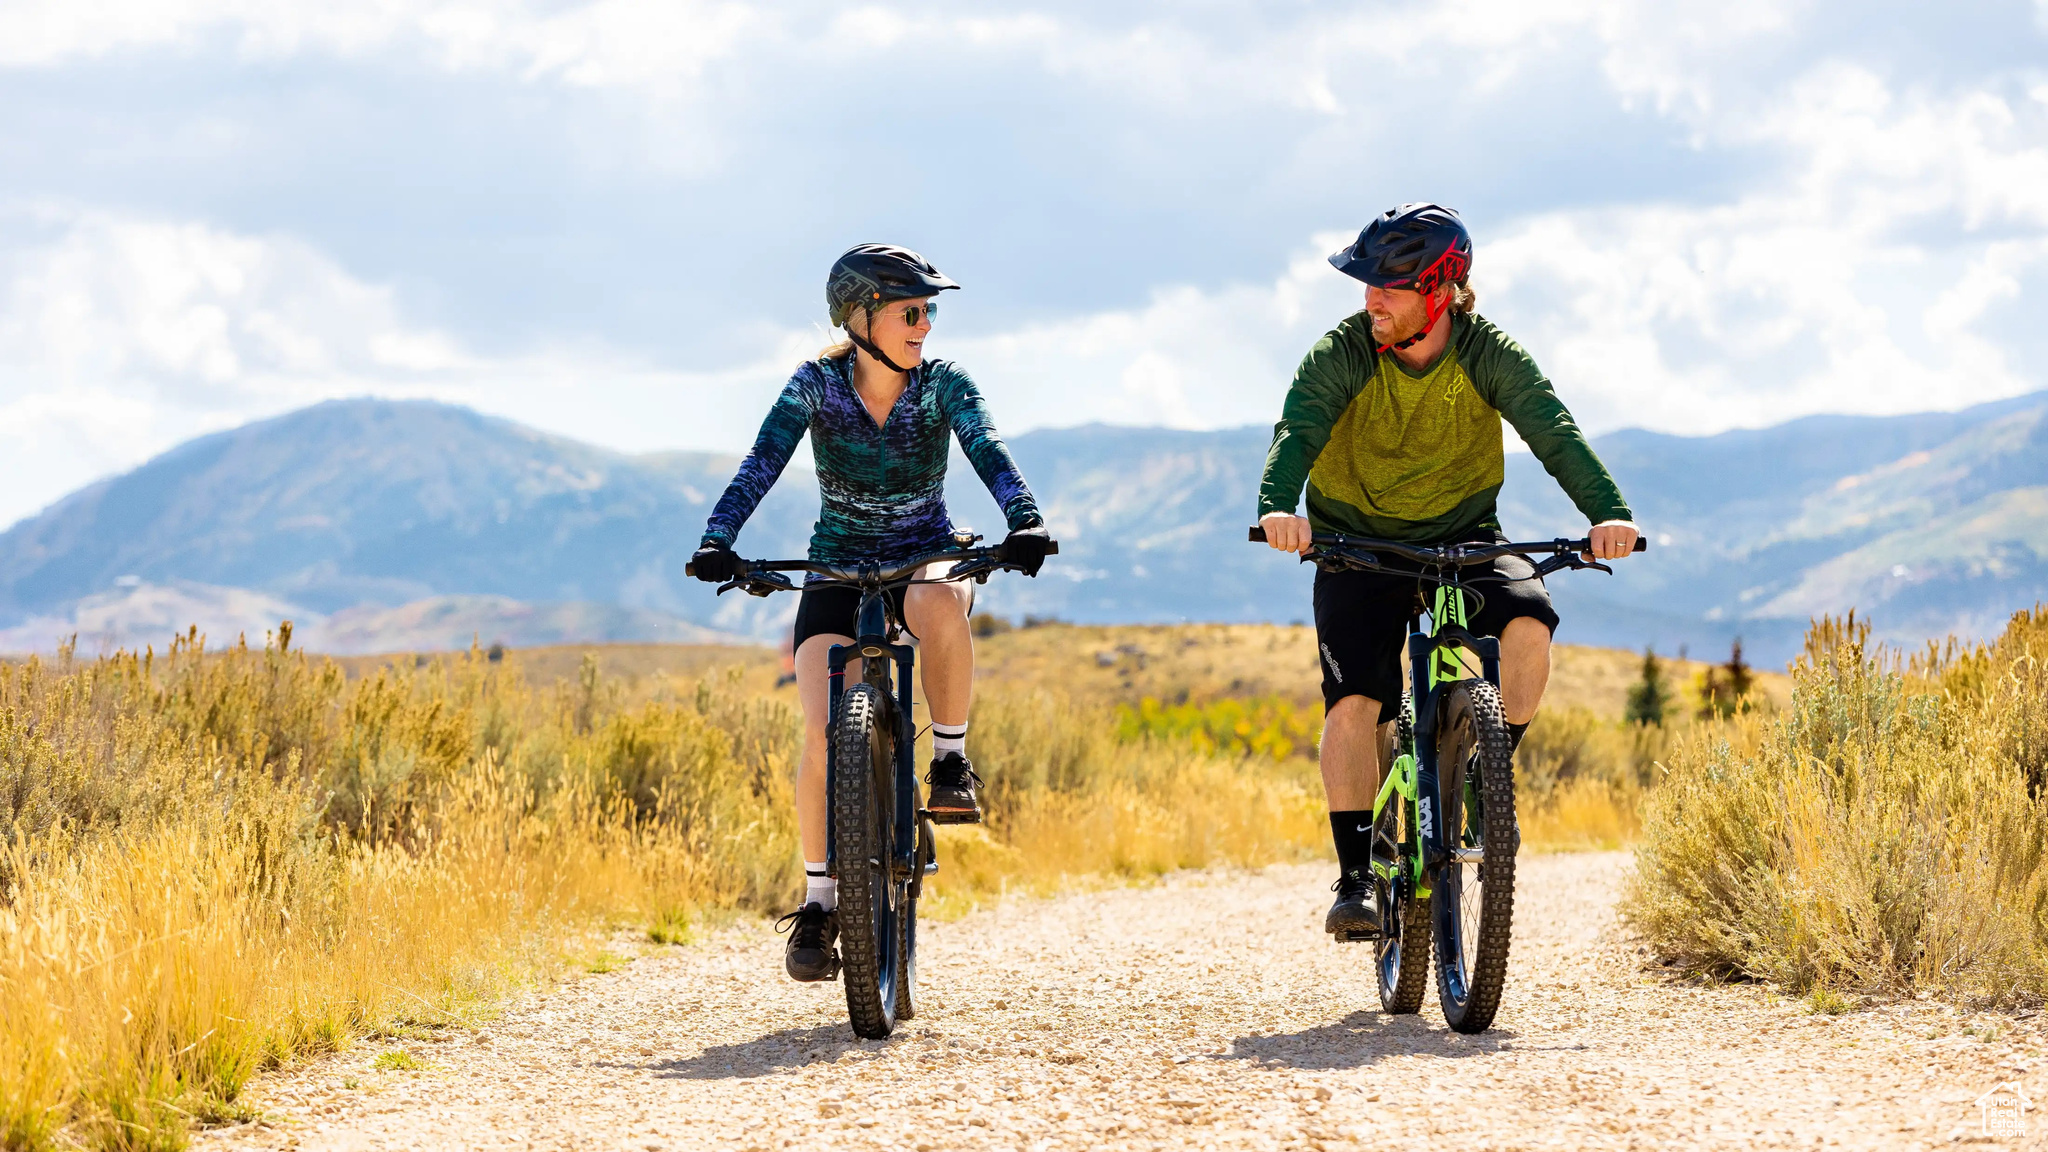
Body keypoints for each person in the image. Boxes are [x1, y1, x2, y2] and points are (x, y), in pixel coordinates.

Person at [1256, 204, 1639, 938]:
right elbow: (1297, 430)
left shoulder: (1487, 352)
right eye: (1366, 282)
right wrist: (1278, 508)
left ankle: (1483, 783)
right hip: (1353, 544)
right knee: (1356, 703)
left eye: (1389, 286)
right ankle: (1356, 876)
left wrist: (1609, 513)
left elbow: (1551, 429)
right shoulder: (1342, 353)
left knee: (1528, 627)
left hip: (1465, 535)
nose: (1371, 297)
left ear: (1439, 291)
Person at [692, 243, 1051, 981]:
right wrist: (717, 540)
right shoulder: (816, 386)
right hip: (840, 563)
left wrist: (1025, 519)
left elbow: (990, 451)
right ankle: (821, 900)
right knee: (824, 727)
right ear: (859, 319)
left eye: (930, 312)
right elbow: (761, 462)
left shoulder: (944, 385)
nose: (924, 325)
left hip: (926, 551)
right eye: (910, 312)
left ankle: (950, 759)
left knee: (932, 598)